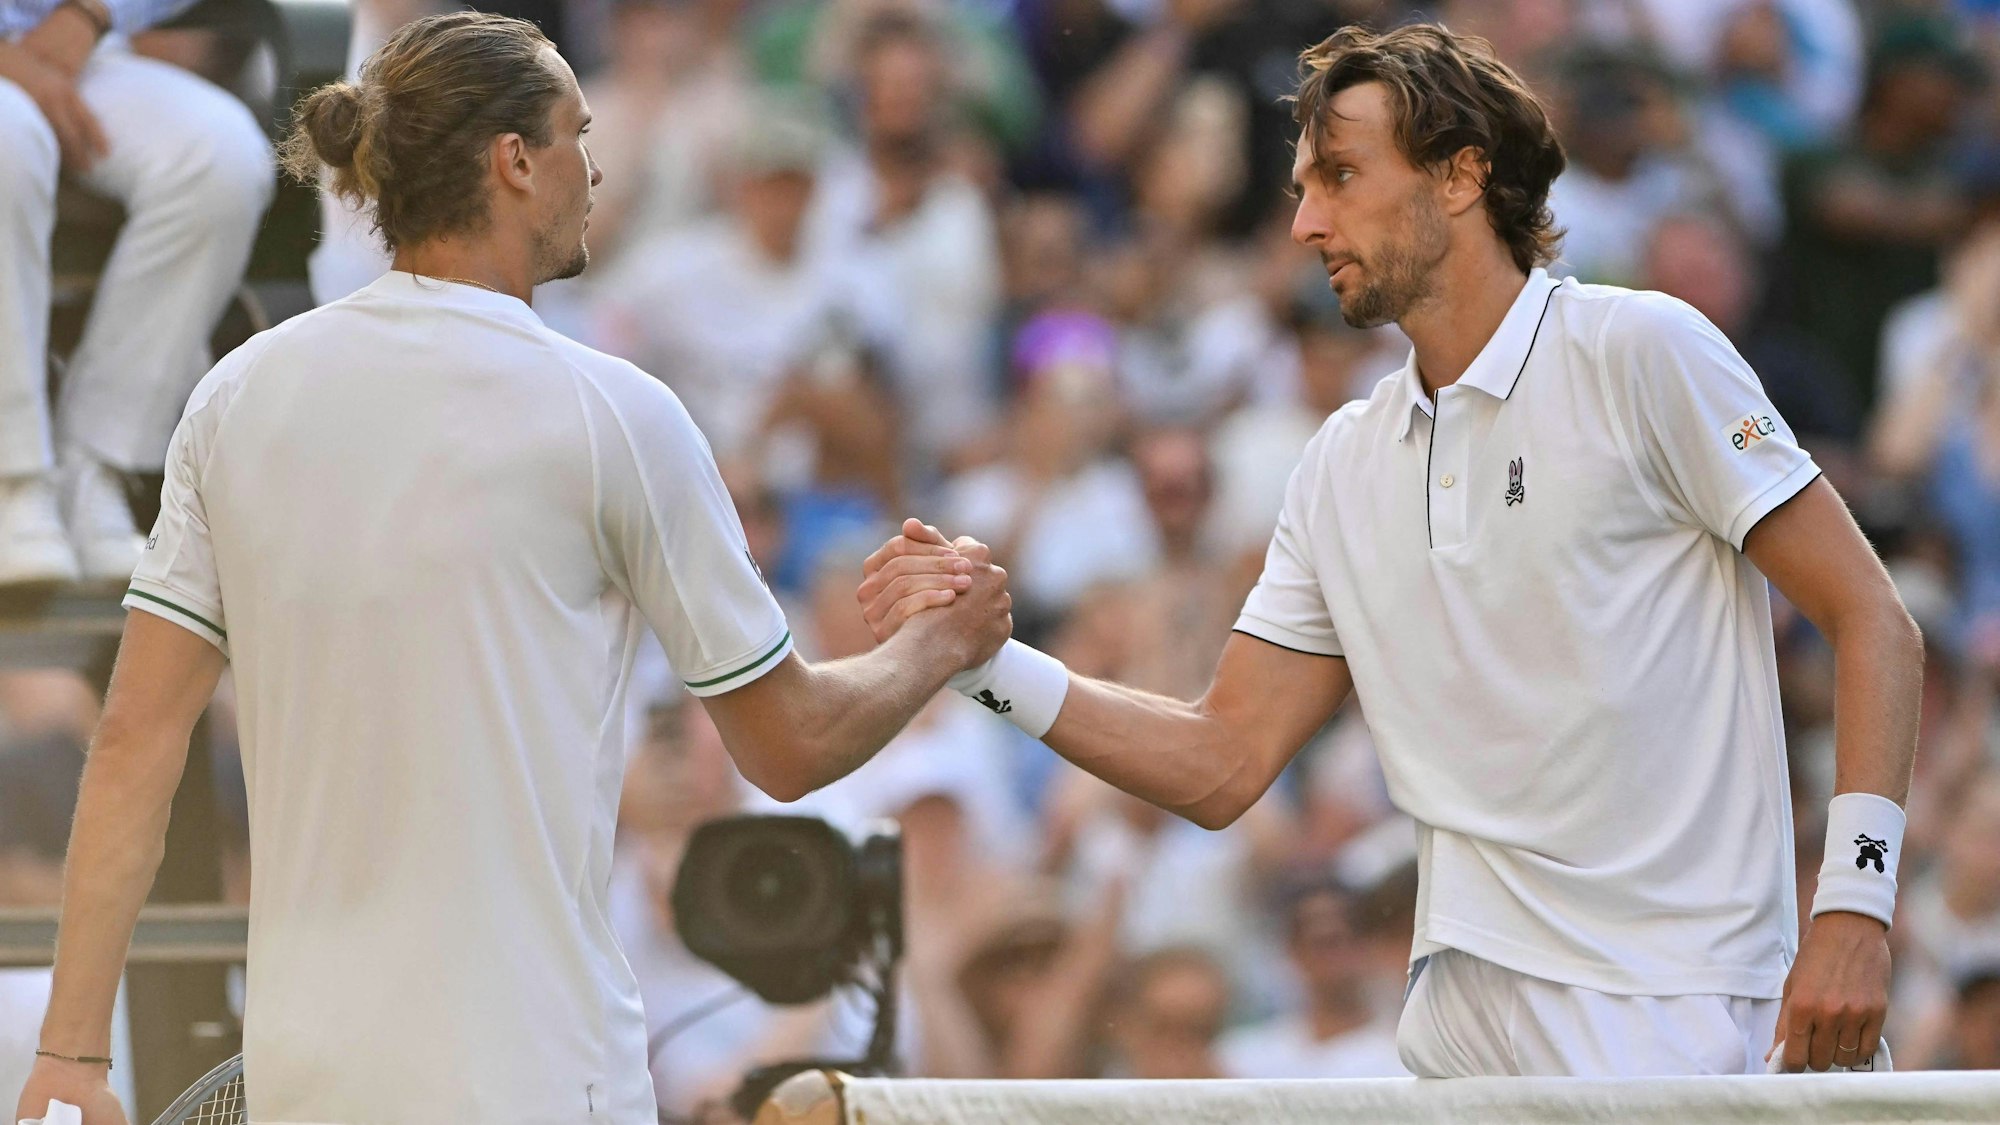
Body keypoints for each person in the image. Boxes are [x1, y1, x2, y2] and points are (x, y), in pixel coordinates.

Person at [859, 23, 1924, 1077]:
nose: (1304, 223)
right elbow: (1221, 761)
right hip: (1461, 1027)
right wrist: (983, 663)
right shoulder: (1341, 461)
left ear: (1461, 176)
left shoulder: (1642, 350)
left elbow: (1873, 619)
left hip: (1674, 1005)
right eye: (1300, 189)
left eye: (1339, 177)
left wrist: (1853, 906)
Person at [14, 13, 1011, 1125]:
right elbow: (789, 743)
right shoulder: (617, 413)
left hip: (310, 1088)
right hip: (542, 1083)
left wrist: (72, 1052)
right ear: (515, 160)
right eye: (578, 132)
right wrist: (938, 644)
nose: (595, 167)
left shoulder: (235, 398)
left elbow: (134, 745)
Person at [0, 0, 273, 585]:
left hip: (78, 47)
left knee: (220, 158)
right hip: (22, 64)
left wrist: (89, 14)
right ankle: (13, 479)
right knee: (8, 141)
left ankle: (93, 466)